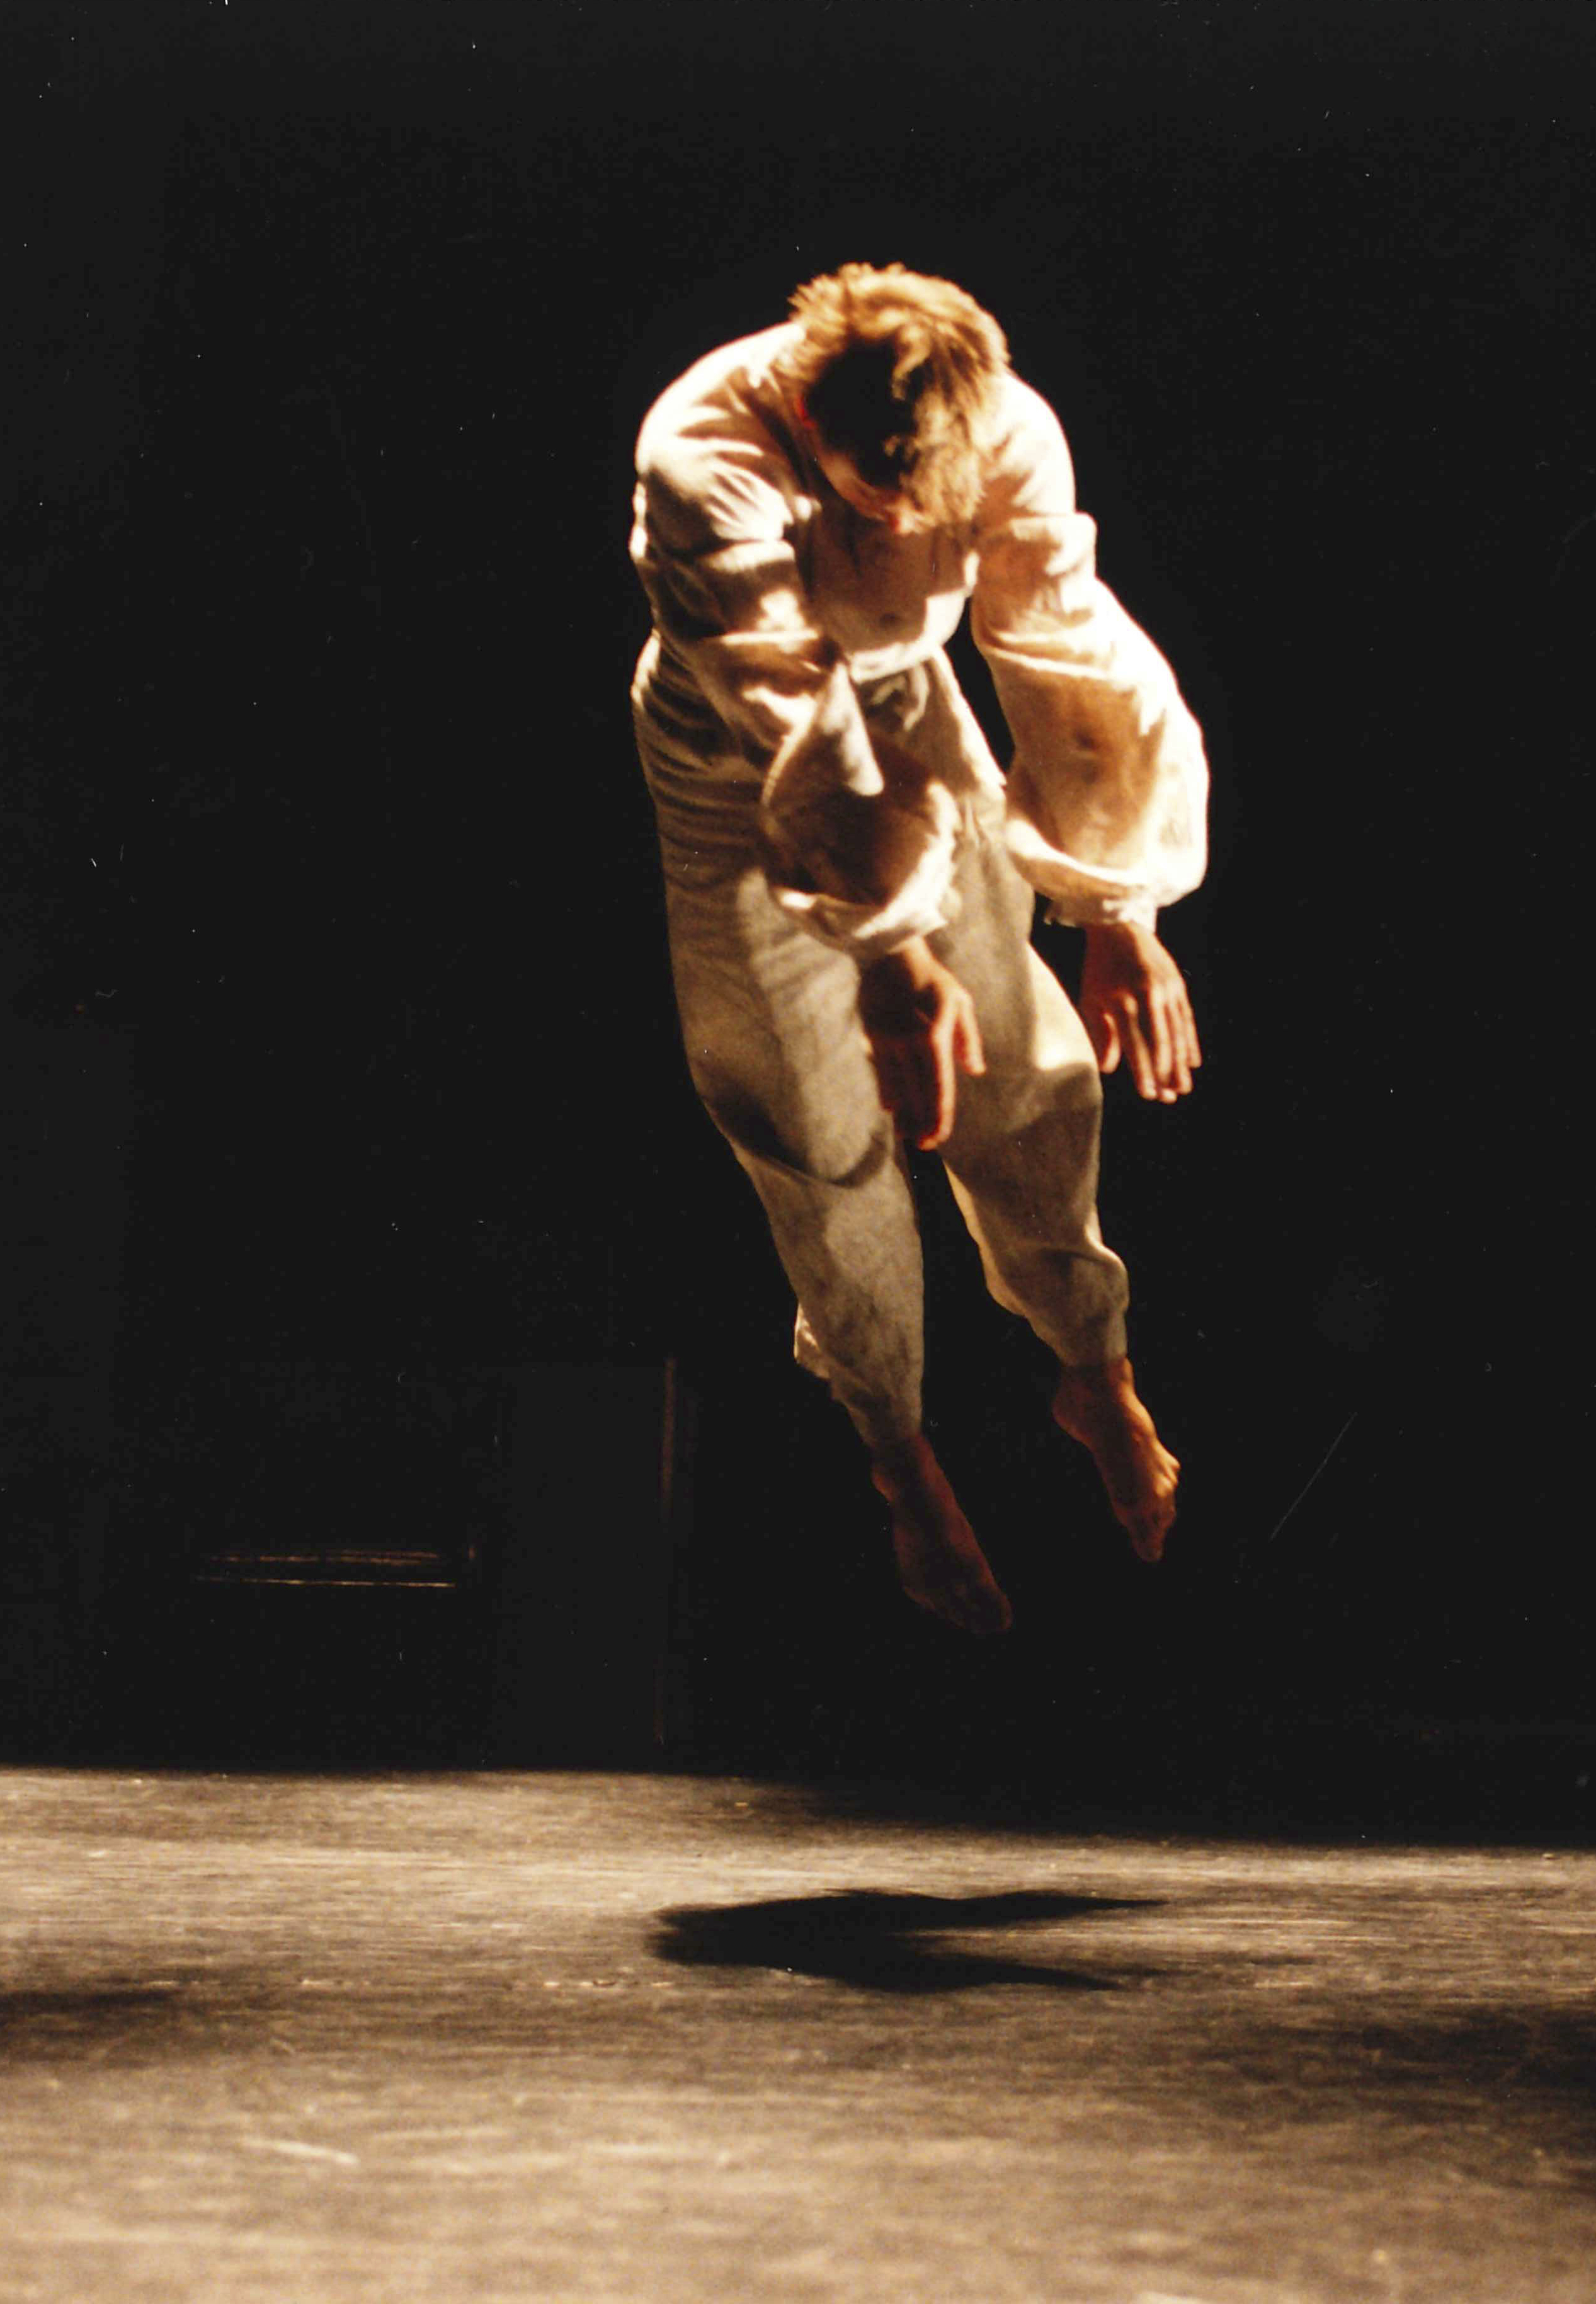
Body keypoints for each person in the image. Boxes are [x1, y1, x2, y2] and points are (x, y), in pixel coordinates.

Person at [627, 264, 1209, 1635]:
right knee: (810, 1120)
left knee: (1018, 1054)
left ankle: (1092, 1365)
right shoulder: (703, 450)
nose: (894, 519)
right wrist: (888, 955)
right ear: (804, 415)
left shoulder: (1001, 420)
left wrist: (1116, 911)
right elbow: (793, 716)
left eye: (917, 496)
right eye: (868, 491)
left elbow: (1062, 647)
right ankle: (900, 1454)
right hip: (729, 760)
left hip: (906, 706)